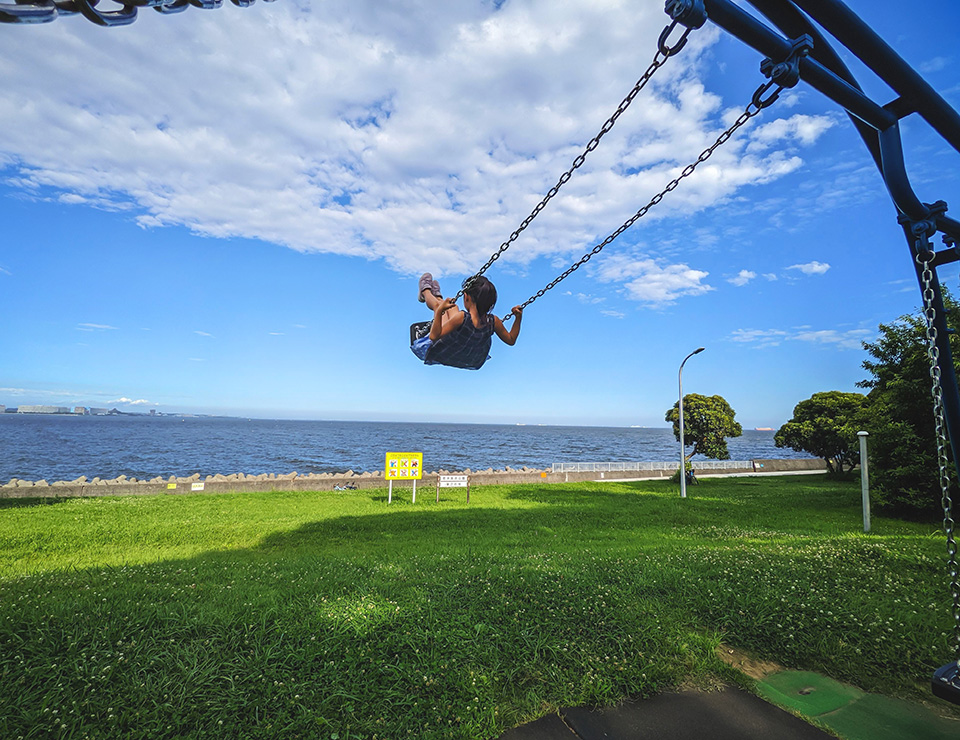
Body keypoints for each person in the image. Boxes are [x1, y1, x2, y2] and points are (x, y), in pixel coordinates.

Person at [411, 273, 522, 370]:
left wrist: (439, 311)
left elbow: (434, 337)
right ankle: (438, 297)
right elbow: (511, 340)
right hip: (472, 359)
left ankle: (425, 292)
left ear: (466, 297)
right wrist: (518, 318)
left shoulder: (461, 317)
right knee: (452, 308)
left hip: (443, 352)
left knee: (440, 307)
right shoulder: (494, 321)